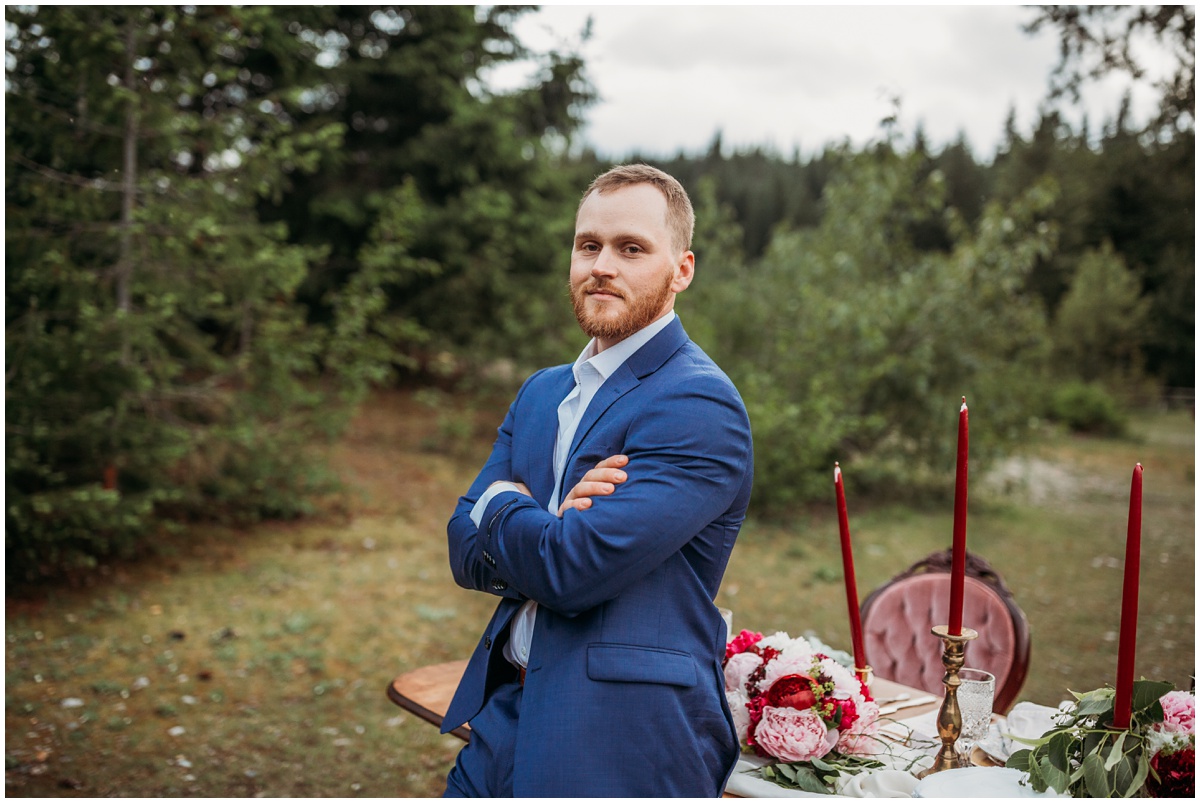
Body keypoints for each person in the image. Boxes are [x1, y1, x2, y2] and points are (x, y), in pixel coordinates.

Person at [441, 164, 754, 797]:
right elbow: (461, 550)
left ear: (682, 270)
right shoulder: (541, 391)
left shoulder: (697, 403)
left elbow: (570, 569)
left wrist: (503, 505)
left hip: (621, 736)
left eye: (631, 248)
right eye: (589, 245)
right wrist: (547, 530)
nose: (602, 266)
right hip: (503, 715)